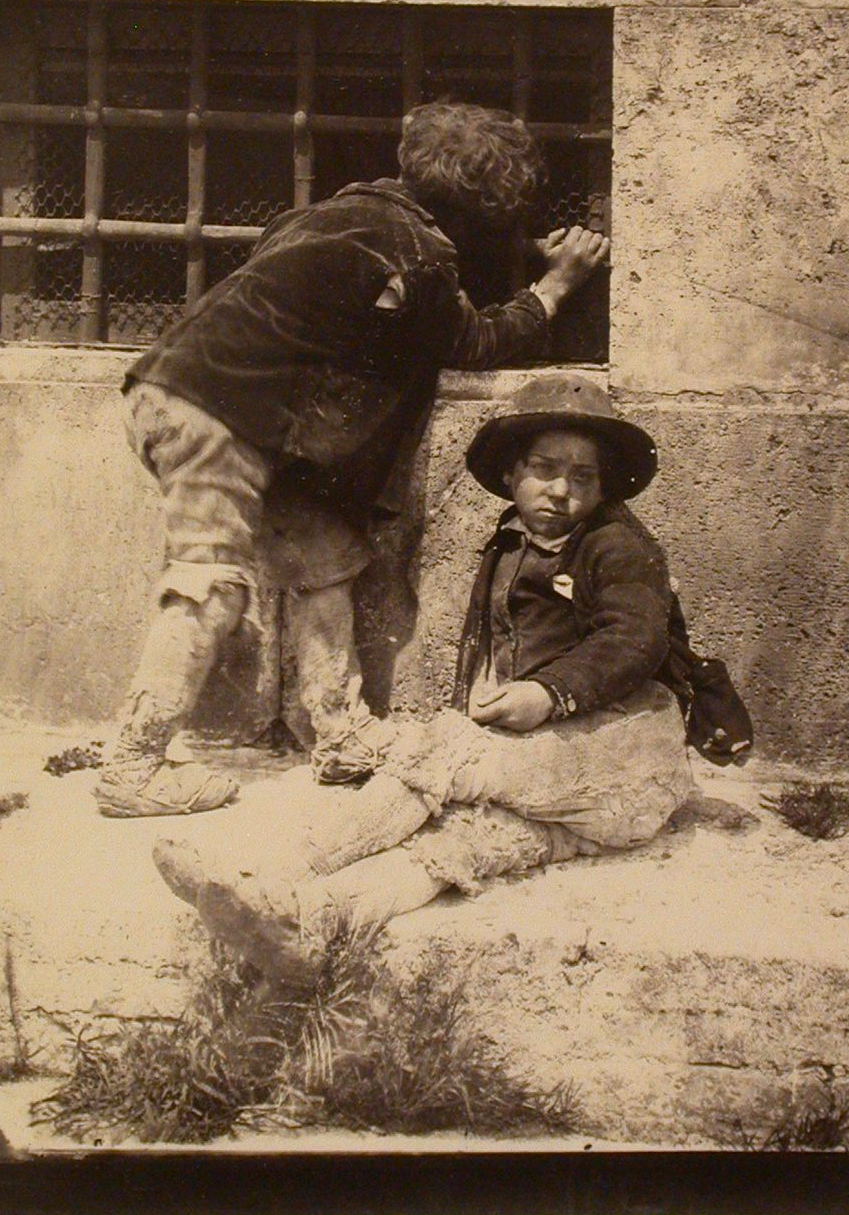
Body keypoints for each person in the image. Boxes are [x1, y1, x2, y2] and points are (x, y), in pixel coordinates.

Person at [88, 103, 609, 819]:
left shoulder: (330, 214)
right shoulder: (422, 256)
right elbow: (473, 342)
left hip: (220, 405)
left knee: (324, 558)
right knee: (212, 581)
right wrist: (554, 287)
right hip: (220, 410)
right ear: (480, 209)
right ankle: (130, 767)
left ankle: (339, 735)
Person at [151, 376, 738, 983]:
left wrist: (546, 692)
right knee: (464, 841)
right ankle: (315, 921)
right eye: (544, 468)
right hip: (576, 798)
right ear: (512, 474)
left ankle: (269, 873)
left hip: (625, 755)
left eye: (583, 477)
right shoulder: (511, 540)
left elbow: (635, 638)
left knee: (439, 756)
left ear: (604, 485)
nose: (561, 491)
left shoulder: (616, 547)